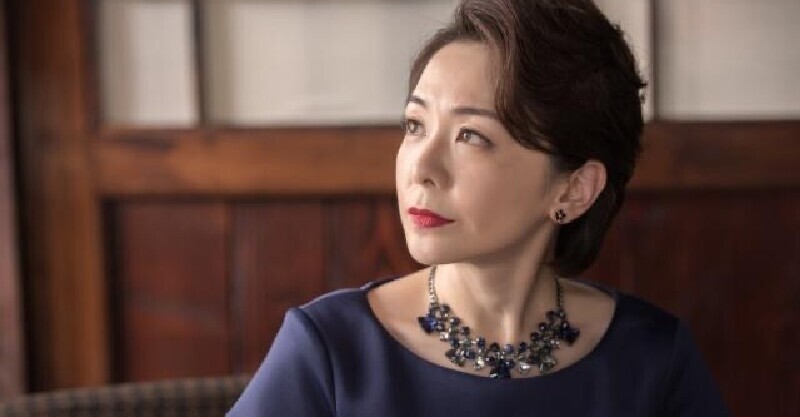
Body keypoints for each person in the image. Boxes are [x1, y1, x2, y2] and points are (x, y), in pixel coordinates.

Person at [228, 0, 730, 415]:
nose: (422, 168)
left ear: (574, 189)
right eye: (415, 125)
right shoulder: (332, 350)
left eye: (471, 136)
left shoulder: (653, 359)